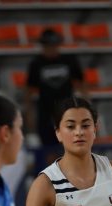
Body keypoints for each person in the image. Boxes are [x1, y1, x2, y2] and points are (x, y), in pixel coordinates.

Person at [25, 28, 85, 156]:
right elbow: (29, 90)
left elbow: (81, 83)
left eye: (53, 45)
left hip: (67, 109)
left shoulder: (69, 61)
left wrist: (86, 106)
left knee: (69, 144)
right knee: (48, 147)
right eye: (47, 46)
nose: (51, 49)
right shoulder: (36, 64)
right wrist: (29, 112)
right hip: (45, 111)